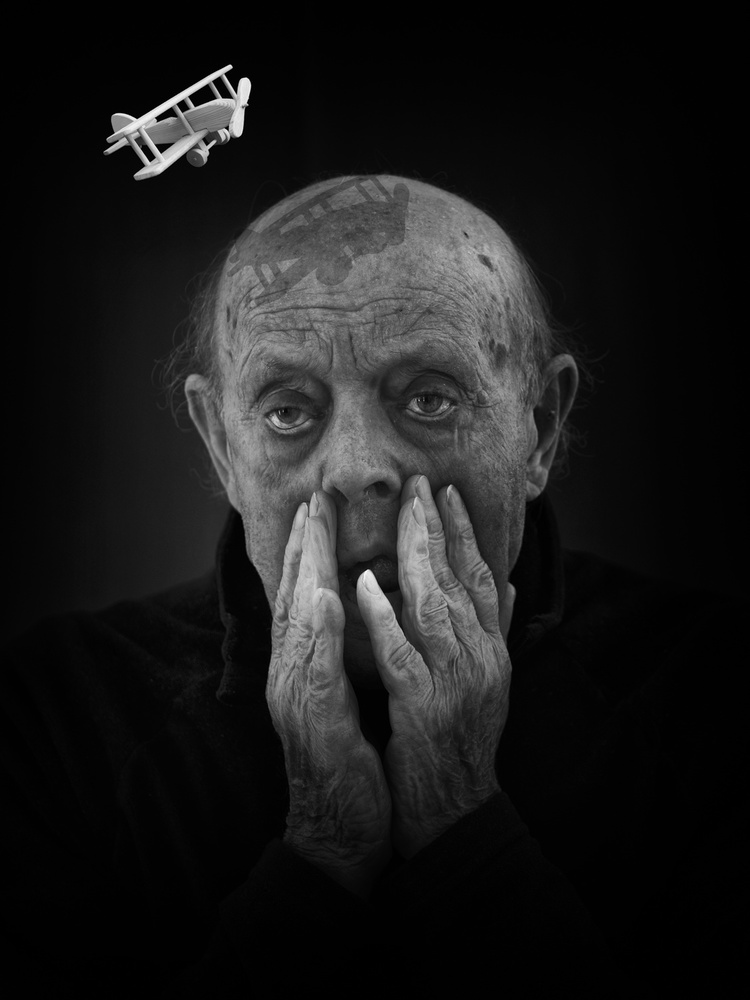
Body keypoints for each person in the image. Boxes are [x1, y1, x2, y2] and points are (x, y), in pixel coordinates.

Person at [2, 174, 745, 998]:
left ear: (539, 427)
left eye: (429, 398)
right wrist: (322, 848)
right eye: (288, 412)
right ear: (221, 447)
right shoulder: (56, 713)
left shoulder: (719, 692)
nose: (356, 468)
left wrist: (459, 812)